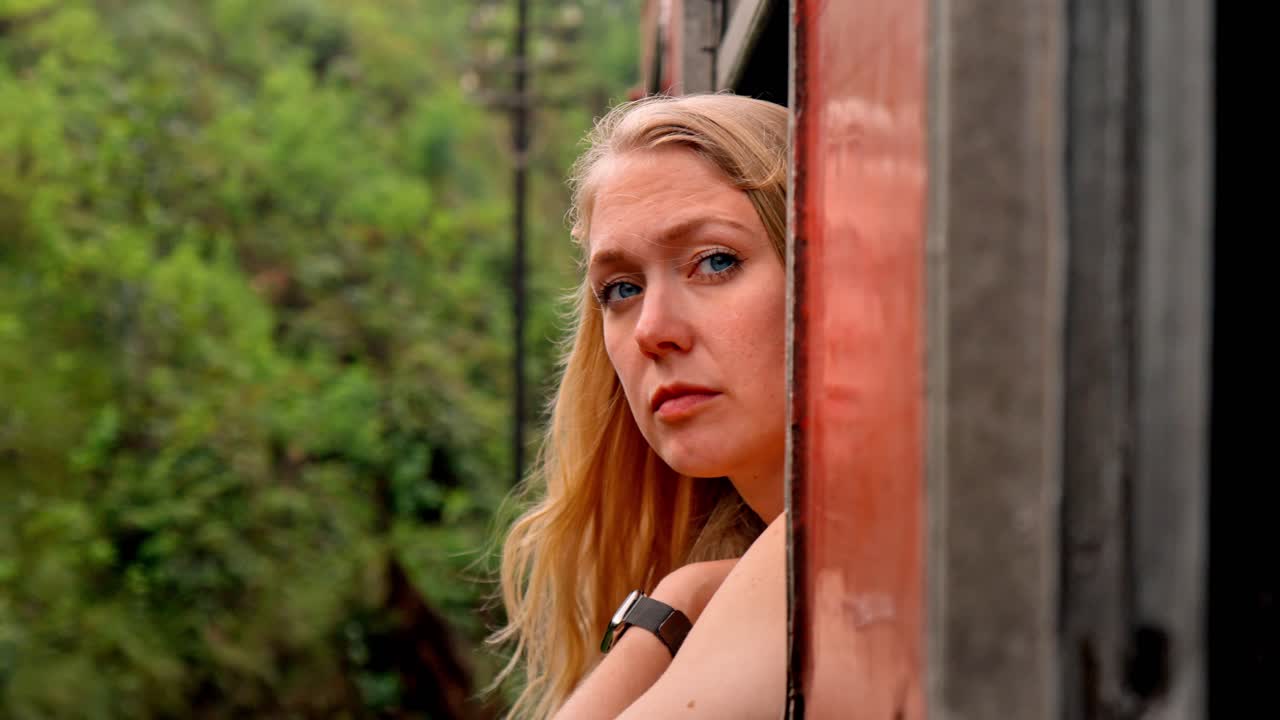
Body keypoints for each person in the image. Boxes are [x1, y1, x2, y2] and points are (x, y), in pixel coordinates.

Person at [491, 93, 789, 719]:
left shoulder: (830, 546)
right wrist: (677, 600)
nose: (653, 330)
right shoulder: (749, 568)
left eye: (714, 261)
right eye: (621, 288)